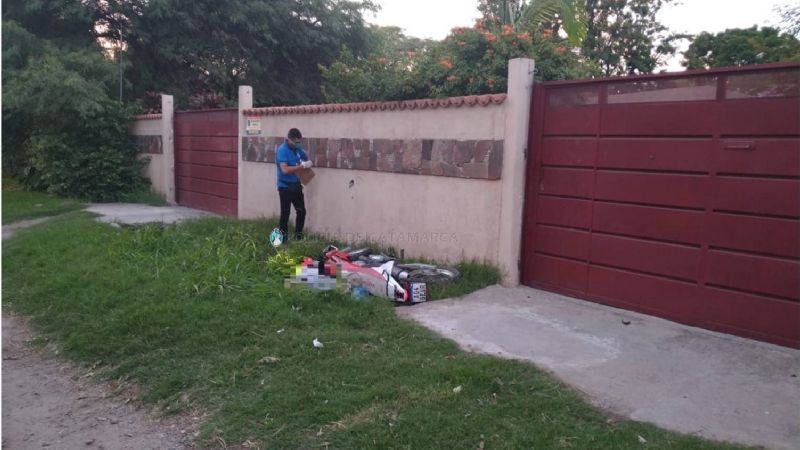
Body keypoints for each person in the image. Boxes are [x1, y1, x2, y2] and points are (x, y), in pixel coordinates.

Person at [275, 128, 312, 241]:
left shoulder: (297, 149)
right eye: (296, 142)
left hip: (296, 185)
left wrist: (307, 162)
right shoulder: (282, 150)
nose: (298, 144)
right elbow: (285, 170)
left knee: (301, 211)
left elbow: (304, 158)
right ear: (289, 139)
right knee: (285, 214)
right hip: (285, 187)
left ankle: (298, 237)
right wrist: (301, 166)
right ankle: (283, 240)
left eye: (299, 142)